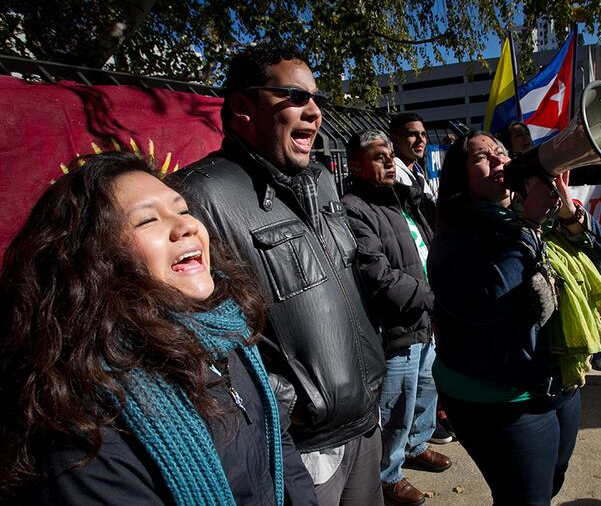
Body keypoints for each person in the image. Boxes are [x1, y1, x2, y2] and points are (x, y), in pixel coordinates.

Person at [0, 152, 316, 505]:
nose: (187, 226)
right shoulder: (87, 419)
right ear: (94, 260)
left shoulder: (225, 335)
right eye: (147, 220)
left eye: (182, 210)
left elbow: (276, 439)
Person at [172, 43, 386, 505]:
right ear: (244, 107)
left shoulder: (324, 183)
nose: (314, 112)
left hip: (366, 425)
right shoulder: (198, 196)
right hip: (302, 451)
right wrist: (287, 405)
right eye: (294, 96)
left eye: (317, 100)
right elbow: (194, 341)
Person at [428, 131, 601, 505]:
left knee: (550, 483)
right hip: (499, 398)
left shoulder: (536, 216)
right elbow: (483, 301)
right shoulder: (456, 233)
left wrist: (569, 214)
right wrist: (529, 225)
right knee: (525, 498)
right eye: (482, 157)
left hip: (557, 381)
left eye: (501, 153)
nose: (498, 161)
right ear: (460, 175)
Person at [340, 130, 450, 506]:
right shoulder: (353, 207)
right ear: (356, 164)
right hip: (397, 326)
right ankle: (387, 475)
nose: (390, 162)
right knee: (396, 404)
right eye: (378, 156)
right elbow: (378, 276)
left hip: (423, 320)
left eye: (390, 154)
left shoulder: (399, 199)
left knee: (424, 391)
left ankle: (416, 447)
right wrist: (436, 299)